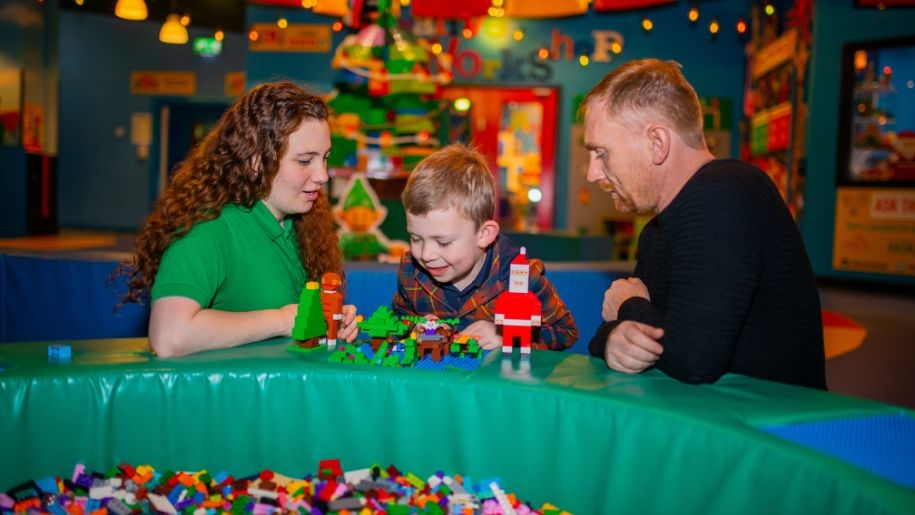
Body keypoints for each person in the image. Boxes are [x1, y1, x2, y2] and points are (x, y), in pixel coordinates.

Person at [582, 58, 826, 389]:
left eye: (601, 152)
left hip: (773, 431)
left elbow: (692, 358)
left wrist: (626, 306)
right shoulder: (658, 229)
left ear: (657, 143)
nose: (592, 173)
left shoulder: (725, 194)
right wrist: (613, 338)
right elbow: (635, 334)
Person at [117, 81, 359, 357]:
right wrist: (281, 319)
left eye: (325, 158)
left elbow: (295, 328)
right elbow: (169, 336)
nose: (322, 175)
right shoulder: (209, 229)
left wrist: (325, 321)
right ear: (257, 161)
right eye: (305, 161)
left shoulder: (301, 225)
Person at [391, 143, 578, 351]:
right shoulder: (411, 270)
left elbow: (565, 332)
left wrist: (506, 337)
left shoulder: (520, 279)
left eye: (443, 242)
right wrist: (413, 327)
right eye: (416, 238)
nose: (425, 255)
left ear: (483, 234)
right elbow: (398, 318)